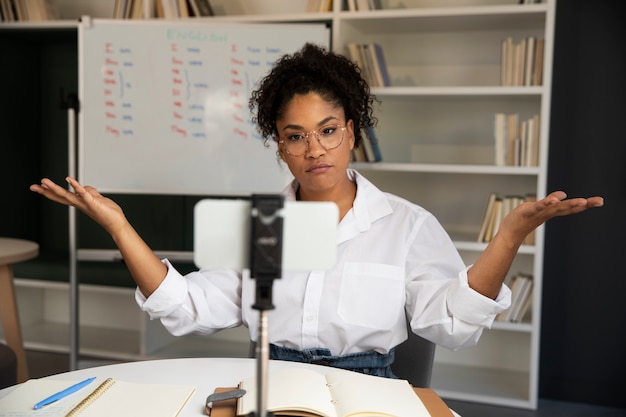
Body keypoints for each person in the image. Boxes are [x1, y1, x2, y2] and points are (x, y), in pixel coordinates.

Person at [30, 43, 603, 378]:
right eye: (294, 136)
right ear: (278, 145)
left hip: (369, 388)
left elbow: (449, 325)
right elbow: (187, 307)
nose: (314, 151)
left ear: (351, 131)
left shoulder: (405, 225)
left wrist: (509, 236)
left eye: (328, 131)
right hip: (272, 381)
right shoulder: (265, 225)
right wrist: (118, 224)